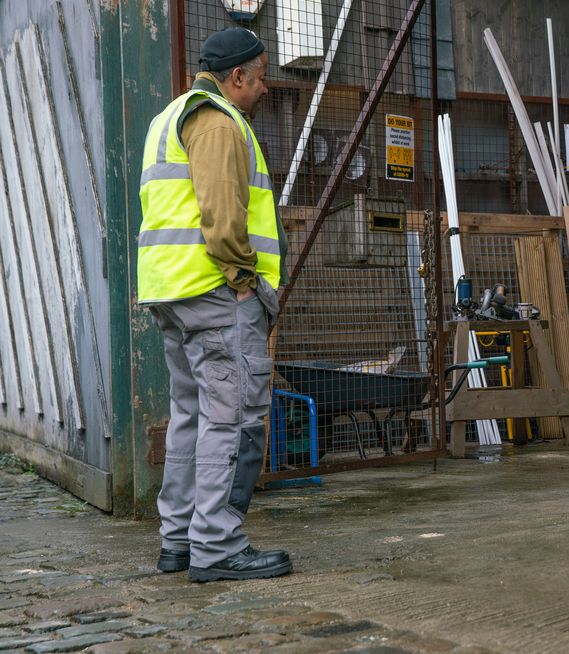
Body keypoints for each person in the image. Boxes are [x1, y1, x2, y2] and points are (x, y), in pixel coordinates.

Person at [137, 27, 291, 581]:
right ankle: (217, 545)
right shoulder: (220, 122)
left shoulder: (169, 117)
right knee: (232, 417)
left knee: (191, 417)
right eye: (263, 77)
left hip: (172, 292)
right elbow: (223, 218)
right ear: (238, 78)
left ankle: (179, 540)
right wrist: (244, 280)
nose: (266, 88)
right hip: (215, 293)